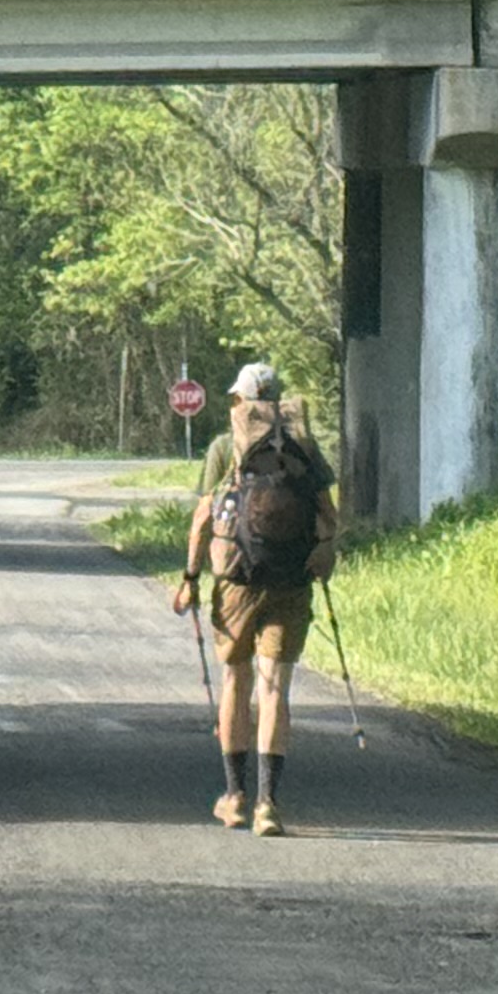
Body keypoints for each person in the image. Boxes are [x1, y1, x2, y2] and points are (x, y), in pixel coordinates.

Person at [173, 358, 339, 836]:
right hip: (290, 581)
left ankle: (235, 796)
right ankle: (269, 803)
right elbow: (328, 517)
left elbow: (205, 517)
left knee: (236, 682)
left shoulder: (226, 446)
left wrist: (190, 576)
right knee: (274, 689)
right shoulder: (304, 446)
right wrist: (324, 555)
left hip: (238, 584)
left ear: (240, 401)